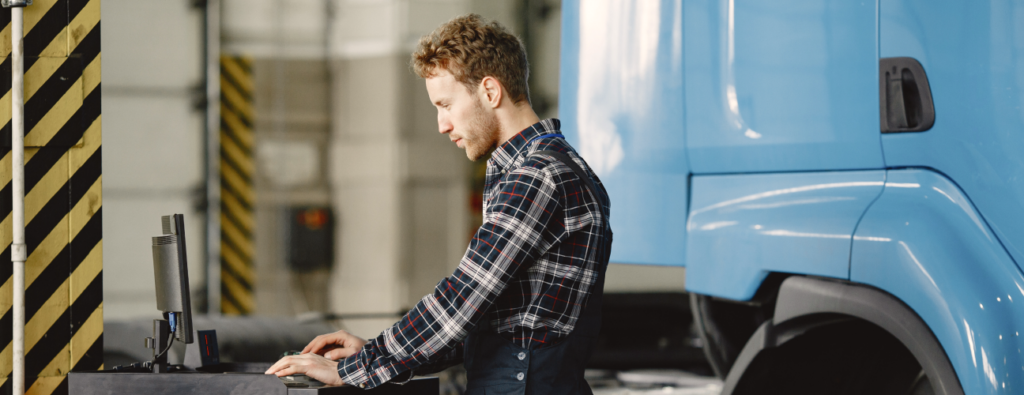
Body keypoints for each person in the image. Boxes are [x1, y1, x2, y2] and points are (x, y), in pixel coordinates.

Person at [266, 13, 612, 393]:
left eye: (446, 104)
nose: (441, 124)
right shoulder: (537, 168)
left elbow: (462, 299)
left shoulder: (538, 177)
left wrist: (358, 368)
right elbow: (500, 322)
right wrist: (375, 351)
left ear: (491, 92)